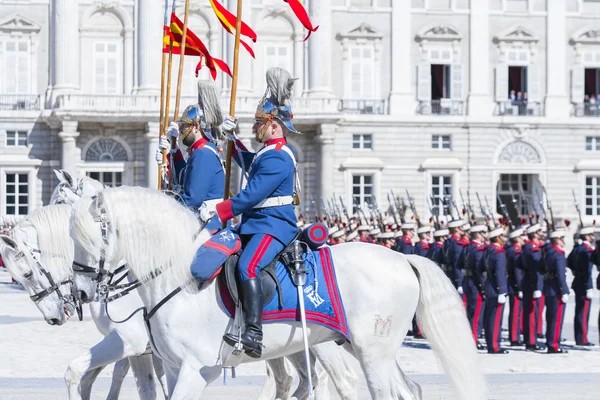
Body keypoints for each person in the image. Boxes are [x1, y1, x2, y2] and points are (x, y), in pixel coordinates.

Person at [200, 68, 301, 358]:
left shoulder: (279, 157)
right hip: (258, 224)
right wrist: (233, 142)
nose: (255, 127)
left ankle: (254, 332)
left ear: (274, 125)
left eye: (259, 122)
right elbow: (249, 163)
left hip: (274, 226)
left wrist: (219, 208)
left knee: (248, 266)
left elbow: (252, 195)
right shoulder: (268, 153)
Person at [156, 80, 225, 233]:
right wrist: (170, 151)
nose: (180, 130)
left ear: (195, 127)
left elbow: (192, 199)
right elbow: (184, 178)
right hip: (201, 220)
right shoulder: (200, 150)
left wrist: (164, 208)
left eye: (183, 126)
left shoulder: (203, 153)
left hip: (207, 225)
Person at [483, 226, 509, 354]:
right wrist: (502, 290)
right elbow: (500, 273)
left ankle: (491, 344)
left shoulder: (488, 250)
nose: (505, 238)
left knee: (490, 318)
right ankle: (494, 346)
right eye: (503, 236)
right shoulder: (498, 253)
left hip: (489, 286)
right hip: (495, 288)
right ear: (498, 238)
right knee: (495, 319)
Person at [543, 229, 569, 354]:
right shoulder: (558, 254)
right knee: (557, 319)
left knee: (550, 318)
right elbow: (560, 274)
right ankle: (554, 344)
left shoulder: (548, 252)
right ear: (557, 239)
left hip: (548, 288)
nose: (564, 240)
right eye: (562, 238)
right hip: (556, 289)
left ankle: (550, 342)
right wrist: (564, 290)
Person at [462, 224, 487, 349]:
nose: (484, 236)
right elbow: (479, 271)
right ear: (478, 234)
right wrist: (483, 288)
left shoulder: (467, 247)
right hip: (475, 284)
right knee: (476, 315)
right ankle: (474, 340)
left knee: (470, 313)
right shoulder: (477, 249)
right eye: (483, 233)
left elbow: (459, 263)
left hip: (467, 281)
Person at [570, 226, 596, 346]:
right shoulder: (586, 251)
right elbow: (587, 271)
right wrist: (588, 286)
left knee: (579, 311)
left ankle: (579, 337)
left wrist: (575, 271)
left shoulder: (577, 248)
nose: (593, 237)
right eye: (591, 235)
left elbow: (568, 261)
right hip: (584, 284)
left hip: (577, 282)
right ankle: (582, 339)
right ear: (586, 236)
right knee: (583, 312)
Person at [521, 223, 546, 351]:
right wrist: (537, 286)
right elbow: (534, 270)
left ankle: (531, 339)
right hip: (532, 284)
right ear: (535, 234)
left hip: (529, 283)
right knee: (531, 315)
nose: (542, 233)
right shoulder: (532, 249)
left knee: (533, 314)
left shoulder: (531, 247)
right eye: (540, 231)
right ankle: (531, 342)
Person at [506, 227, 525, 346]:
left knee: (516, 311)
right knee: (515, 312)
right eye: (522, 236)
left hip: (513, 283)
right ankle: (514, 337)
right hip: (515, 285)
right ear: (517, 238)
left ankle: (515, 335)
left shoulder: (511, 249)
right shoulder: (516, 251)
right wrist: (520, 287)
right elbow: (518, 271)